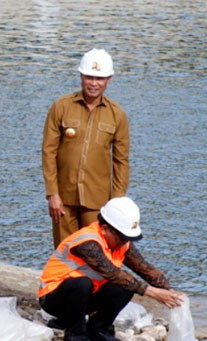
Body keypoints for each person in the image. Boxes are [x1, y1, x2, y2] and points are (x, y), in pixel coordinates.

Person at [38, 197, 184, 341]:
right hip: (54, 299)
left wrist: (170, 292)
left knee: (126, 287)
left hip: (84, 300)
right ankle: (75, 333)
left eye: (127, 238)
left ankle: (98, 329)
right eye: (121, 237)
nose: (124, 241)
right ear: (106, 228)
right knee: (83, 283)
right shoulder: (87, 242)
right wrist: (154, 293)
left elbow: (145, 269)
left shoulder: (121, 243)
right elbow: (112, 273)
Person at [42, 48, 130, 248]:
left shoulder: (117, 115)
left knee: (95, 254)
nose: (93, 83)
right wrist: (52, 194)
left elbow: (121, 161)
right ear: (81, 76)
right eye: (89, 77)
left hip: (98, 202)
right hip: (63, 199)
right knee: (65, 251)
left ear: (109, 79)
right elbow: (49, 152)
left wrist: (115, 204)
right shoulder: (61, 107)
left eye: (99, 78)